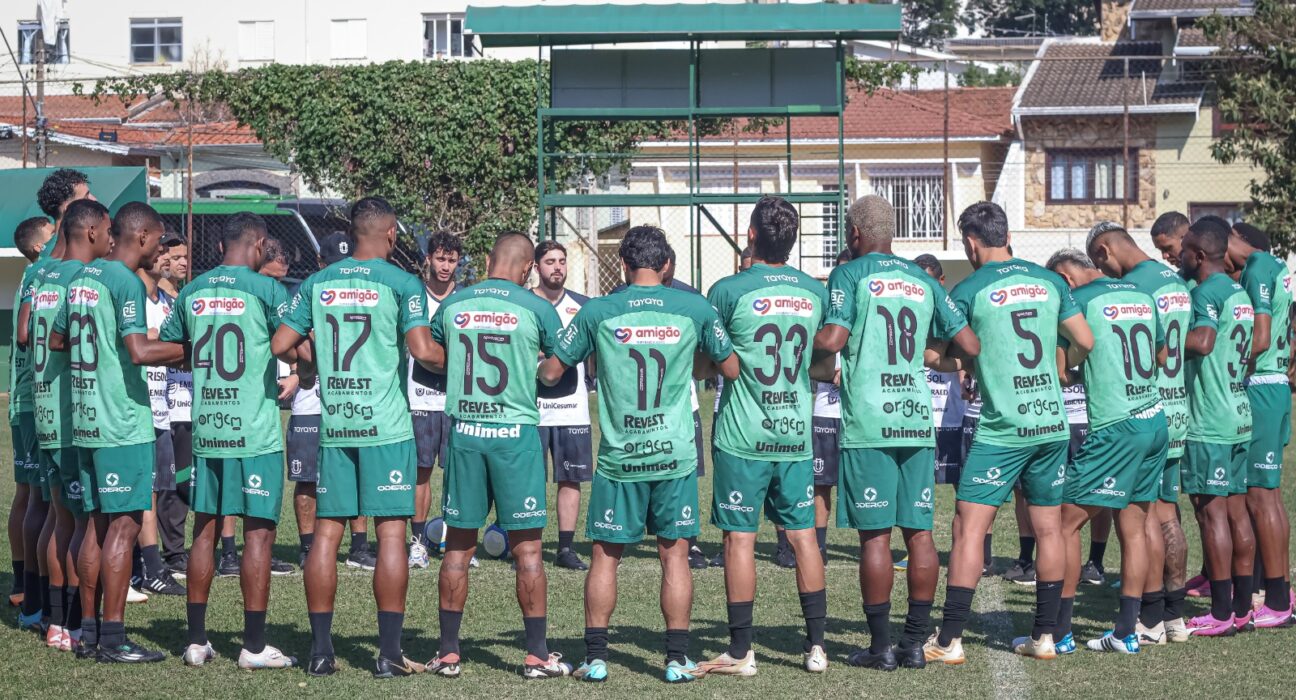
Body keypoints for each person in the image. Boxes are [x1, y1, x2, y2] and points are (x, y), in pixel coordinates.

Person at [539, 225, 738, 684]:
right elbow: (730, 367)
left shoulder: (599, 310)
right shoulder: (694, 307)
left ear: (623, 267)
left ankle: (596, 658)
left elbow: (551, 372)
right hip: (674, 454)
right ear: (667, 265)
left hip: (620, 457)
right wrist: (693, 359)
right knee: (675, 555)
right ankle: (675, 659)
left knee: (606, 557)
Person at [272, 197, 439, 678]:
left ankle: (321, 651)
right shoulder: (402, 282)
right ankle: (388, 653)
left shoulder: (319, 282)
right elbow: (423, 351)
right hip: (386, 427)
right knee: (390, 533)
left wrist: (313, 357)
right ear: (390, 235)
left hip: (337, 424)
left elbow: (282, 343)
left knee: (327, 534)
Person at [923, 201, 1094, 664]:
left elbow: (932, 357)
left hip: (1003, 429)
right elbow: (1085, 341)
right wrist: (1064, 367)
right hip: (1050, 423)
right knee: (1049, 528)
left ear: (971, 243)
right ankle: (1045, 636)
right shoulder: (1051, 280)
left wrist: (971, 361)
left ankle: (949, 639)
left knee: (968, 528)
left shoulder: (969, 288)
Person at [815, 196, 980, 670]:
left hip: (870, 420)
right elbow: (969, 343)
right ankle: (913, 644)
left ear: (856, 234)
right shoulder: (923, 279)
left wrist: (797, 339)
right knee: (919, 533)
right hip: (916, 416)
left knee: (874, 538)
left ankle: (882, 646)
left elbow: (833, 340)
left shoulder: (850, 273)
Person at [424, 232, 569, 679]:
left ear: (488, 260)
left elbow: (432, 355)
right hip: (515, 438)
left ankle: (448, 654)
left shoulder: (454, 304)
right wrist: (536, 368)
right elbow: (554, 368)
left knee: (457, 549)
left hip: (465, 434)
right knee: (528, 551)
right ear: (528, 270)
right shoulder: (538, 307)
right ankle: (536, 656)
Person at [699, 197, 833, 677]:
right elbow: (824, 362)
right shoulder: (813, 291)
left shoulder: (728, 290)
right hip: (794, 432)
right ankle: (817, 646)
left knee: (739, 539)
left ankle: (741, 652)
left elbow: (707, 358)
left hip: (742, 435)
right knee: (803, 537)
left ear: (751, 233)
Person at [49, 202, 185, 662]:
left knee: (95, 527)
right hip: (120, 422)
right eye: (159, 241)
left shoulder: (82, 277)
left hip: (85, 420)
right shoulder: (124, 280)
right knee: (124, 529)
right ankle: (112, 638)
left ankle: (86, 633)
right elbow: (139, 351)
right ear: (142, 237)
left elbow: (57, 340)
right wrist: (190, 347)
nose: (161, 251)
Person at [161, 212, 295, 670]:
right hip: (254, 432)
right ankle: (253, 646)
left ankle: (197, 641)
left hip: (208, 428)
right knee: (258, 536)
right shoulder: (268, 289)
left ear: (221, 247)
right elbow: (290, 344)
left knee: (205, 529)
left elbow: (174, 346)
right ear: (258, 245)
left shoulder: (193, 290)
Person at [1045, 245, 1167, 654]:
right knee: (1133, 526)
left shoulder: (1075, 301)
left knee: (1066, 522)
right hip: (1154, 418)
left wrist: (1079, 369)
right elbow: (1162, 352)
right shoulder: (1139, 294)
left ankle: (1060, 633)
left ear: (1064, 278)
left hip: (1117, 425)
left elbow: (1063, 372)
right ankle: (1127, 632)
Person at [1088, 221, 1194, 643]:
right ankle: (1174, 615)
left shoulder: (1132, 288)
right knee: (1168, 513)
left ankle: (1149, 618)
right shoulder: (1177, 281)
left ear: (1103, 252)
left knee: (1141, 518)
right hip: (1178, 406)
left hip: (1143, 410)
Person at [1176, 216, 1256, 636]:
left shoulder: (1206, 292)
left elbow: (1203, 342)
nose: (1181, 255)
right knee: (1238, 513)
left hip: (1211, 419)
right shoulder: (1238, 291)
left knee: (1212, 516)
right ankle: (1243, 610)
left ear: (1200, 255)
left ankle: (1221, 613)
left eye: (1185, 249)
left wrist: (1164, 336)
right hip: (1240, 413)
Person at [281, 232, 376, 572]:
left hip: (353, 402)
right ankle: (308, 547)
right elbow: (287, 339)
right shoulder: (307, 293)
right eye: (333, 265)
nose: (340, 272)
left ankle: (360, 546)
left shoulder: (363, 295)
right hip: (312, 402)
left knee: (359, 475)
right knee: (306, 479)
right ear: (321, 264)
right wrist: (299, 367)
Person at [1224, 222, 1293, 626]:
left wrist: (1228, 369)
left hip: (1262, 384)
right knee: (1268, 494)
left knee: (1258, 497)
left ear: (1239, 240)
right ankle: (1277, 593)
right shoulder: (1276, 265)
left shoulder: (1258, 268)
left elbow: (1261, 337)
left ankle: (1279, 602)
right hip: (1277, 384)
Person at [532, 240, 594, 571]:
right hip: (531, 409)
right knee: (530, 480)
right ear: (536, 267)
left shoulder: (583, 307)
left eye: (561, 261)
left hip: (573, 408)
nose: (557, 267)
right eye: (550, 261)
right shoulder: (525, 304)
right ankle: (529, 547)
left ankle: (566, 549)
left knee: (570, 480)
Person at [130, 229, 186, 598]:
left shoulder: (164, 299)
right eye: (160, 249)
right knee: (142, 493)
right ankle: (148, 568)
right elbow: (140, 346)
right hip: (138, 410)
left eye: (170, 251)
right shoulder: (133, 296)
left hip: (161, 407)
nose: (165, 256)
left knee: (157, 490)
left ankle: (149, 566)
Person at [407, 231, 461, 569]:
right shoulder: (413, 297)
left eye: (452, 260)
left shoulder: (465, 300)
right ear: (428, 258)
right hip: (420, 398)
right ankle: (417, 543)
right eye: (440, 258)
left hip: (458, 401)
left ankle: (456, 543)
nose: (445, 266)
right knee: (421, 473)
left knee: (458, 474)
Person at [9, 217, 54, 621]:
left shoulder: (36, 274)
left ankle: (26, 588)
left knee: (32, 495)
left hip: (29, 401)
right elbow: (26, 333)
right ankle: (29, 589)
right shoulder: (38, 275)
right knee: (37, 496)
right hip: (31, 402)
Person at [158, 235, 195, 577]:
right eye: (175, 256)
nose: (182, 262)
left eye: (186, 256)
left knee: (182, 480)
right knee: (165, 484)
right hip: (162, 405)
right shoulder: (151, 297)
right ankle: (167, 555)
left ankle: (174, 550)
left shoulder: (185, 297)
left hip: (187, 405)